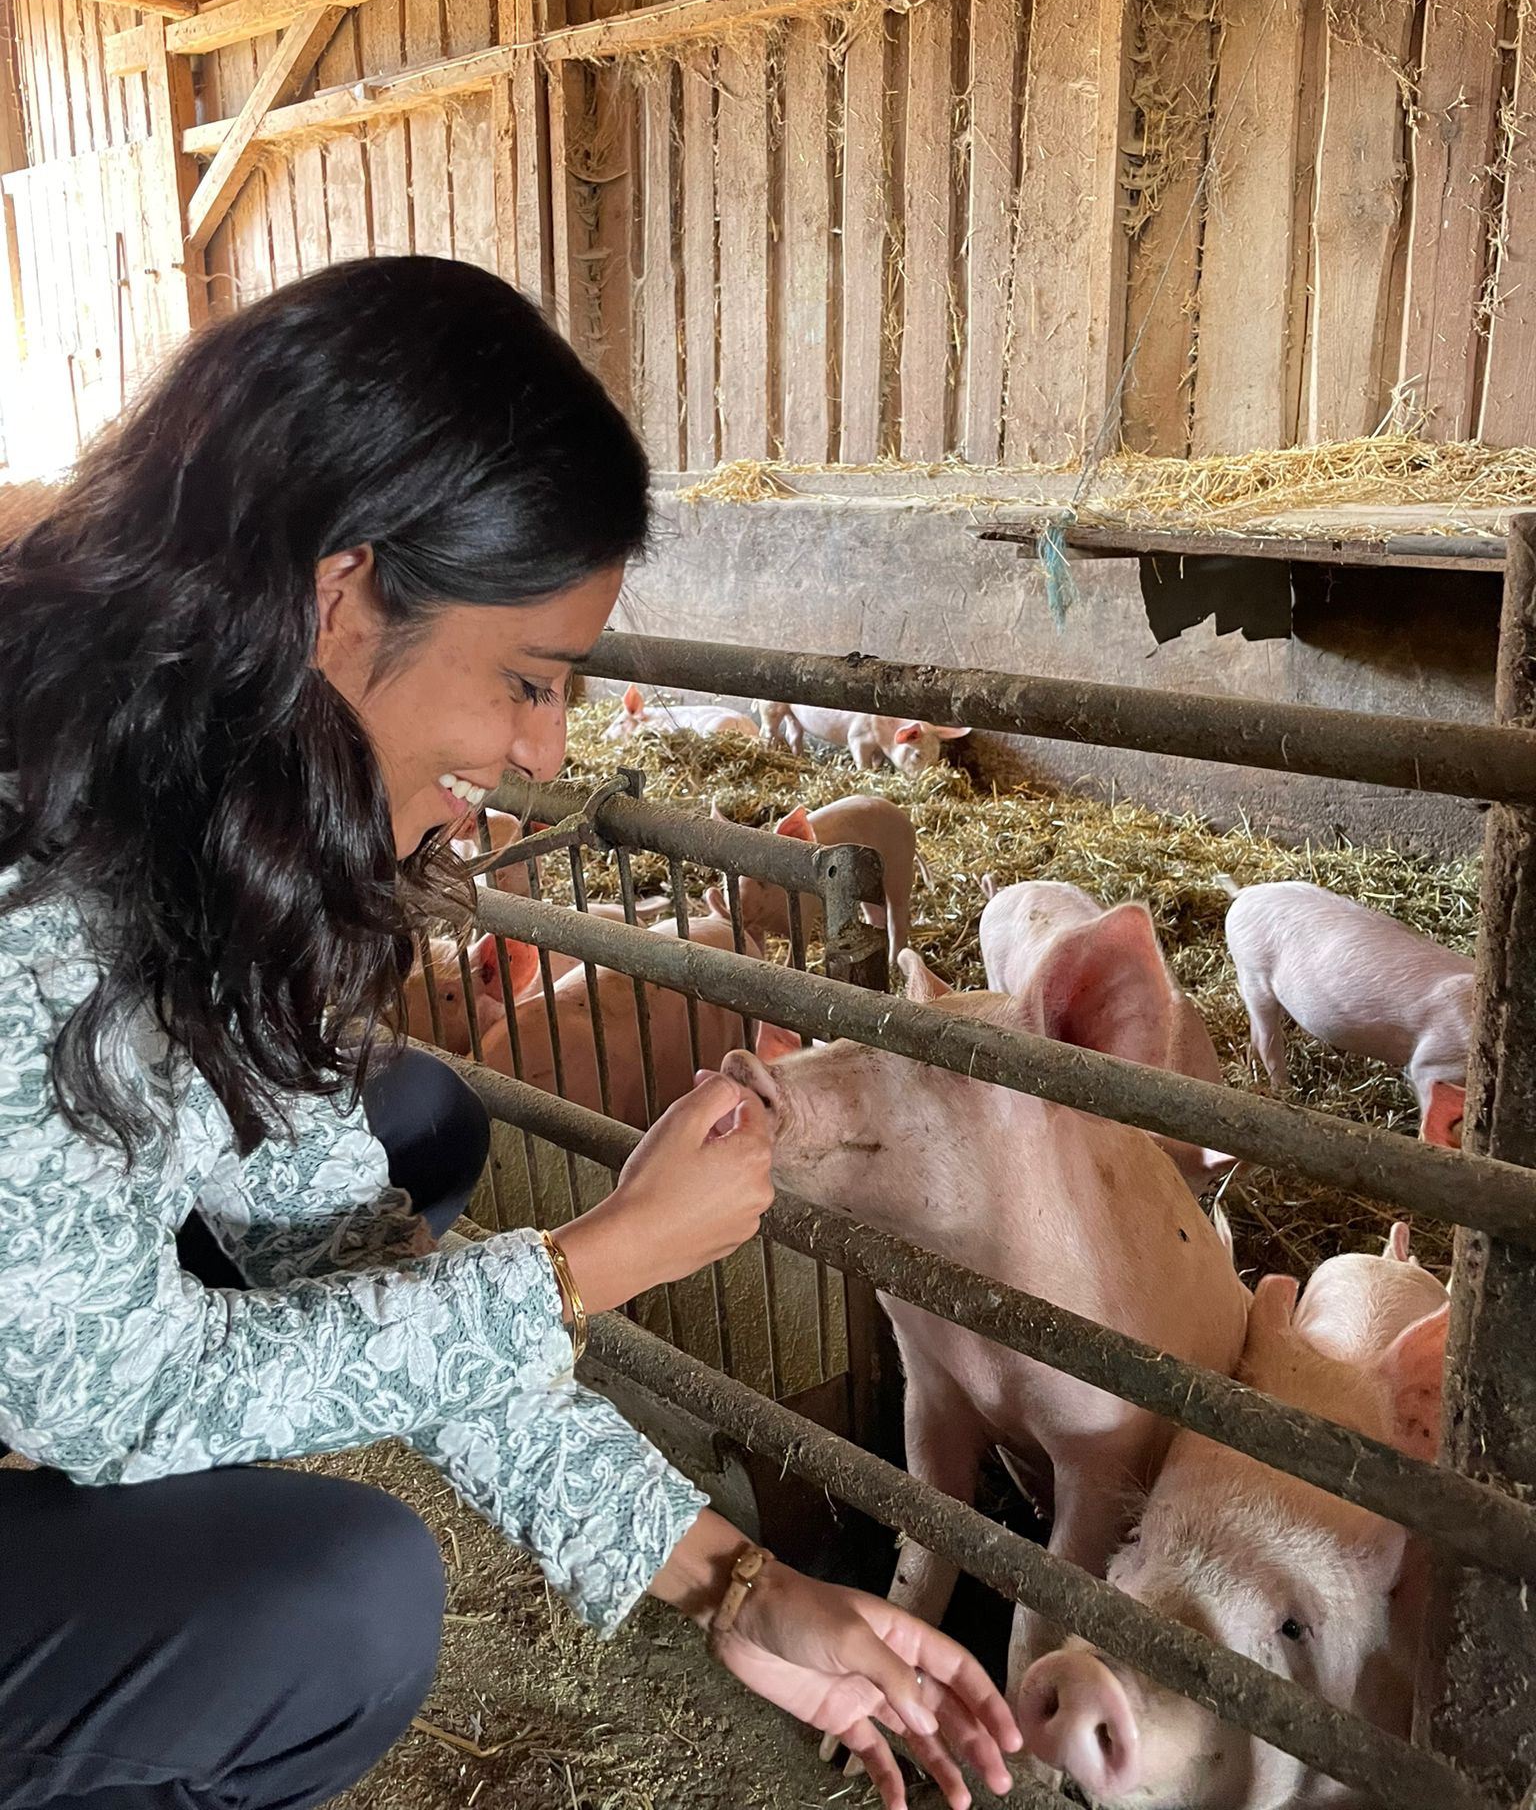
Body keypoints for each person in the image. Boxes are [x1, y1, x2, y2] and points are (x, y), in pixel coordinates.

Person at [0, 258, 1021, 1810]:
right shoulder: (40, 878)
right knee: (331, 1613)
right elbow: (111, 1397)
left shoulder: (203, 812)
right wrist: (599, 1258)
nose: (544, 751)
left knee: (409, 1132)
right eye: (527, 682)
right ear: (340, 602)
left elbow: (328, 1243)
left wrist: (732, 1580)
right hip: (66, 1380)